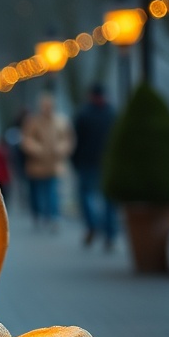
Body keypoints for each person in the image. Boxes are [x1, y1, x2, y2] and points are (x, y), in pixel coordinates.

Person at [71, 83, 117, 249]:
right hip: (107, 164)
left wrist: (74, 161)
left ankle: (93, 225)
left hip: (87, 162)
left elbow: (75, 141)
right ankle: (110, 234)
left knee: (87, 197)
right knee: (109, 200)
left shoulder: (83, 114)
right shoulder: (112, 114)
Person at [20, 92, 74, 229]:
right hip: (37, 166)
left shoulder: (61, 121)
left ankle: (53, 216)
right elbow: (27, 140)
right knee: (39, 192)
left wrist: (60, 149)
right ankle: (41, 214)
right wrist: (37, 149)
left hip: (54, 164)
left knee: (52, 191)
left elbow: (67, 139)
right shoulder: (33, 121)